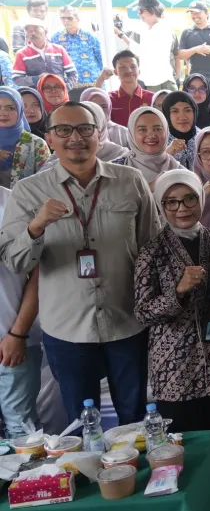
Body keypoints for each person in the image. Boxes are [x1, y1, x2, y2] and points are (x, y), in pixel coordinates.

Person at [0, 101, 161, 424]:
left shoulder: (130, 181)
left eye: (85, 129)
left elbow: (152, 249)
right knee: (83, 421)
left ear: (99, 134)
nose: (76, 137)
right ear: (50, 138)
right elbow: (16, 262)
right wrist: (36, 227)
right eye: (64, 130)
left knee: (136, 418)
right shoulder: (28, 192)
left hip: (127, 322)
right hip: (67, 329)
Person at [133, 169, 210, 448]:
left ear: (201, 199)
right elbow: (143, 312)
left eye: (190, 198)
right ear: (161, 206)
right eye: (171, 201)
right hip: (175, 366)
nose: (182, 208)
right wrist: (177, 292)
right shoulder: (152, 252)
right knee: (184, 446)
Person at [0, 180, 41, 438]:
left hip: (12, 339)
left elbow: (40, 274)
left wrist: (18, 333)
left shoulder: (16, 203)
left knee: (23, 433)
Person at [0, 86, 51, 187]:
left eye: (10, 108)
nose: (3, 113)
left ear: (20, 111)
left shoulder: (37, 144)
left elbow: (48, 182)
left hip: (28, 197)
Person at [121, 106, 180, 187]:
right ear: (131, 134)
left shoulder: (179, 170)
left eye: (157, 129)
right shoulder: (117, 169)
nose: (151, 135)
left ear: (166, 132)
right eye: (142, 130)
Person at [11, 17, 76, 88]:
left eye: (36, 29)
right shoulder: (21, 54)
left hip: (60, 92)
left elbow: (72, 73)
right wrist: (36, 79)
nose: (33, 33)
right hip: (36, 94)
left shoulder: (59, 50)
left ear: (46, 32)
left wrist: (66, 87)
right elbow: (17, 79)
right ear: (26, 35)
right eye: (29, 31)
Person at [49, 6, 103, 90]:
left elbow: (100, 58)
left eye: (69, 18)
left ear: (78, 19)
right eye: (63, 18)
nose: (66, 21)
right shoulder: (56, 38)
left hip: (91, 82)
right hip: (68, 84)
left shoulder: (90, 37)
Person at [104, 50, 154, 127]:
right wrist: (100, 80)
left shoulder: (152, 98)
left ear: (139, 71)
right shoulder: (109, 99)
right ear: (115, 72)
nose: (128, 70)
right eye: (123, 67)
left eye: (133, 66)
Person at [161, 90, 200, 169]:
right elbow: (153, 169)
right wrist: (168, 152)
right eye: (175, 111)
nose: (182, 117)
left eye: (187, 110)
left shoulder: (203, 137)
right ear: (167, 114)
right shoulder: (159, 140)